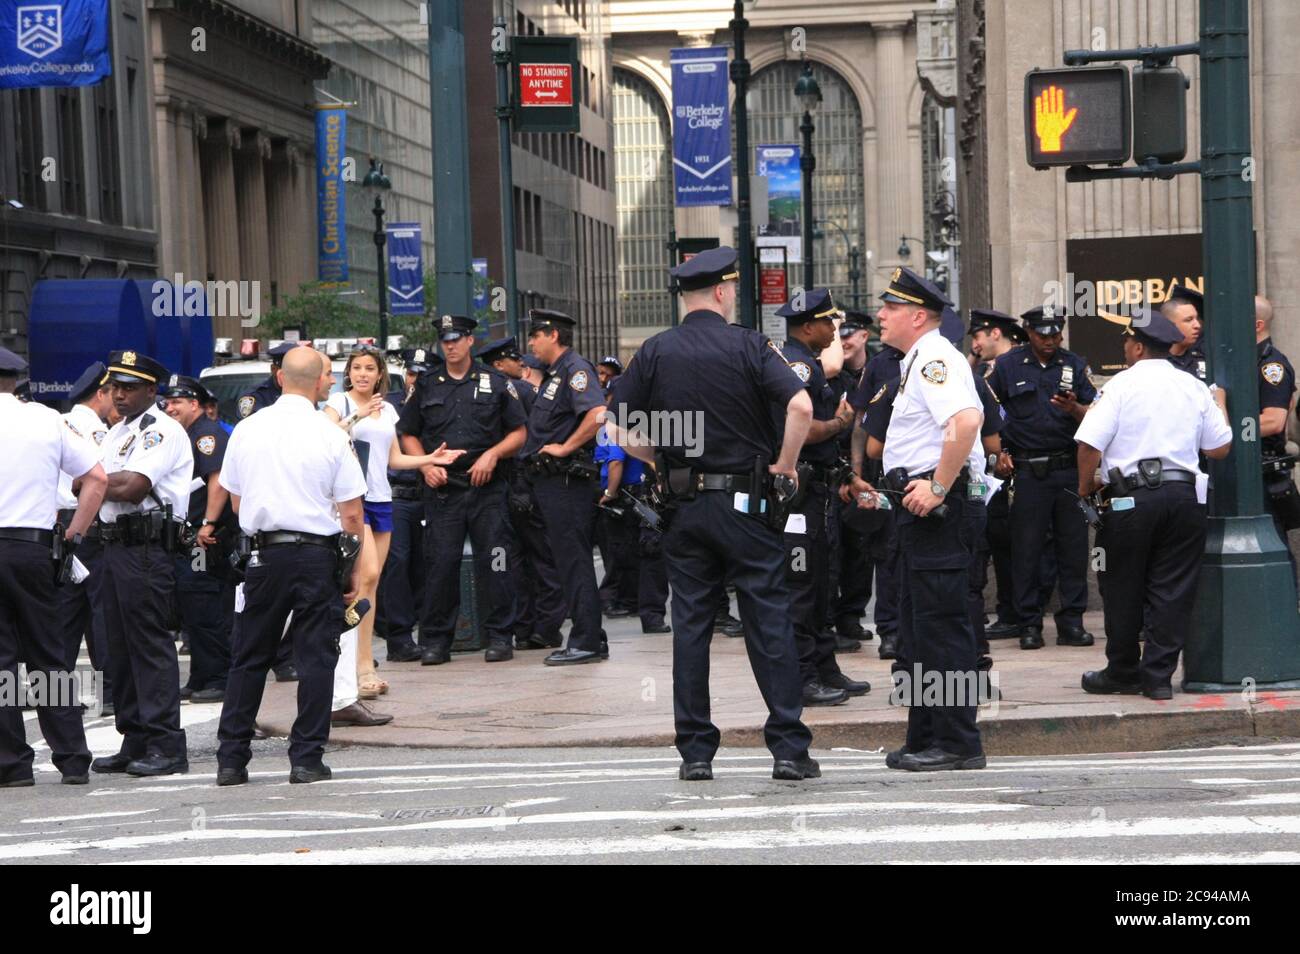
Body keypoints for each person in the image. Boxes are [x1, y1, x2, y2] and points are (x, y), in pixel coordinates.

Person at [609, 245, 819, 781]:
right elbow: (800, 405)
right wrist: (785, 467)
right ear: (724, 292)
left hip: (684, 507)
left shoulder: (655, 351)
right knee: (768, 621)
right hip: (748, 505)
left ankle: (697, 752)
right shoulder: (751, 345)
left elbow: (614, 428)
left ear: (687, 297)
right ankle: (789, 750)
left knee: (692, 627)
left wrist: (659, 459)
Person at [855, 267, 986, 772]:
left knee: (943, 629)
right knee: (918, 629)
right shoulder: (915, 361)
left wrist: (937, 485)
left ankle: (957, 742)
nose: (880, 317)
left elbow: (967, 422)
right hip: (918, 511)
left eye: (889, 309)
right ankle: (927, 733)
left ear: (916, 316)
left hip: (939, 511)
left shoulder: (935, 359)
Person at [1077, 308, 1232, 699]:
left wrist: (1083, 489)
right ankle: (1159, 678)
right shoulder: (1194, 387)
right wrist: (1221, 403)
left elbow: (1088, 442)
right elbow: (1219, 447)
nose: (1125, 348)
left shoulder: (1120, 385)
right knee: (1173, 587)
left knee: (1121, 584)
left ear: (1139, 346)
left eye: (1127, 342)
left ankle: (1124, 670)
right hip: (1184, 499)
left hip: (1129, 500)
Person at [0, 347, 107, 787]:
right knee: (49, 655)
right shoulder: (47, 420)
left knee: (1, 662)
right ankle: (72, 757)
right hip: (33, 547)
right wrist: (73, 535)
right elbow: (97, 479)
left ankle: (11, 764)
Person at [328, 345, 465, 687]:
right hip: (351, 500)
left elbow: (395, 460)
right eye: (356, 368)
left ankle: (364, 667)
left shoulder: (387, 409)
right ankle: (355, 669)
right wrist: (358, 417)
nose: (362, 374)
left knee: (371, 584)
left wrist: (430, 459)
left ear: (379, 375)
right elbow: (325, 439)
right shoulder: (339, 404)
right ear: (349, 373)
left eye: (369, 369)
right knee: (366, 575)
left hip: (381, 498)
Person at [398, 316, 526, 665]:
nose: (450, 345)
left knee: (496, 561)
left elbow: (519, 432)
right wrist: (425, 465)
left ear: (470, 341)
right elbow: (407, 432)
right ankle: (437, 641)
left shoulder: (496, 381)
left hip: (487, 486)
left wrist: (492, 454)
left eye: (456, 339)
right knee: (440, 564)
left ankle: (500, 635)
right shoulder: (427, 384)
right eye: (445, 340)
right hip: (443, 490)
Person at [90, 351, 194, 778]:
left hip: (147, 547)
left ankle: (166, 744)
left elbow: (131, 487)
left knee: (149, 647)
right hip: (115, 547)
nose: (119, 394)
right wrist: (97, 483)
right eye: (114, 387)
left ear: (152, 390)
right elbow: (103, 482)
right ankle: (134, 738)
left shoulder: (160, 431)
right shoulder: (118, 432)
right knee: (118, 647)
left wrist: (90, 482)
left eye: (129, 387)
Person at [776, 289, 869, 706]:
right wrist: (840, 423)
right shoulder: (796, 367)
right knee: (802, 586)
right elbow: (802, 429)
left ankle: (824, 664)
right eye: (829, 323)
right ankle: (802, 676)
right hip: (801, 498)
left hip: (822, 489)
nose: (835, 330)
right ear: (808, 325)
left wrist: (847, 473)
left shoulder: (811, 365)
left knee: (823, 582)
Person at [987, 305, 1096, 650]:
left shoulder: (1074, 365)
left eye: (1055, 334)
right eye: (1042, 334)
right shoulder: (1007, 366)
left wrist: (1074, 409)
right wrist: (999, 452)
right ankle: (1029, 624)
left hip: (1067, 468)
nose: (1050, 341)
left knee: (1073, 549)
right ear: (1029, 333)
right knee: (1027, 550)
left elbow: (1096, 416)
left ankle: (1072, 622)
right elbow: (992, 410)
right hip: (1028, 471)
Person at [522, 309, 609, 666]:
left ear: (553, 335)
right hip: (553, 482)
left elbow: (597, 414)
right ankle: (593, 636)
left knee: (573, 562)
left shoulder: (575, 371)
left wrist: (566, 446)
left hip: (567, 482)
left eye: (535, 335)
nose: (531, 342)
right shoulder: (556, 375)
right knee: (569, 561)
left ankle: (586, 640)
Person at [478, 336, 568, 650]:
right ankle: (545, 627)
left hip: (499, 486)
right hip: (525, 481)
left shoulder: (484, 392)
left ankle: (523, 626)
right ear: (499, 364)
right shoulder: (524, 391)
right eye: (514, 359)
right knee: (543, 558)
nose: (521, 364)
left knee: (509, 561)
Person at [164, 375, 235, 703]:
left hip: (204, 538)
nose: (170, 406)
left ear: (195, 404)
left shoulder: (206, 434)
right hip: (190, 536)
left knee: (205, 603)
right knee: (193, 606)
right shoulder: (188, 433)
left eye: (178, 402)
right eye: (169, 401)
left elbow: (217, 482)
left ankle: (218, 677)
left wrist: (207, 524)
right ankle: (201, 675)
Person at [845, 312, 906, 659]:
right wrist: (858, 474)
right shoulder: (881, 365)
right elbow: (859, 424)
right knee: (887, 554)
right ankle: (890, 631)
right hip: (886, 476)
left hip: (926, 476)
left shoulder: (937, 360)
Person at [54, 362, 115, 713]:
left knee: (63, 612)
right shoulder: (94, 430)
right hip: (87, 523)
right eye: (112, 394)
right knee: (100, 609)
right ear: (100, 393)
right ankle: (108, 691)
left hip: (57, 523)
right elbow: (101, 478)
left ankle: (56, 693)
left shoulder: (59, 423)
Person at [967, 309, 1025, 640]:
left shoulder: (1013, 366)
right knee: (988, 542)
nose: (975, 344)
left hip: (1012, 466)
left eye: (978, 337)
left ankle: (1012, 610)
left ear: (995, 333)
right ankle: (1004, 609)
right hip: (989, 471)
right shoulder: (984, 372)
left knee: (1007, 545)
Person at [375, 348, 435, 662]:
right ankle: (398, 638)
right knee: (396, 567)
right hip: (395, 494)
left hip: (429, 495)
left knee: (426, 566)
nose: (415, 380)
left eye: (422, 375)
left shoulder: (437, 403)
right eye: (412, 374)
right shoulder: (387, 407)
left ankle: (429, 634)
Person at [826, 312, 874, 651]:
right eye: (839, 333)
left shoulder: (881, 370)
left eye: (850, 333)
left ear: (865, 336)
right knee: (833, 548)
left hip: (869, 471)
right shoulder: (829, 376)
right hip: (834, 469)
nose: (843, 340)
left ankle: (851, 615)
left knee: (863, 548)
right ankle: (831, 617)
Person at [1253, 296, 1298, 576]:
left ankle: (1286, 610)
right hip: (1242, 469)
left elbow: (1273, 420)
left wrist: (1218, 429)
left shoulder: (1272, 365)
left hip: (1263, 472)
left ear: (1257, 325)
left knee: (1274, 544)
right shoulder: (1247, 360)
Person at [235, 341, 298, 419]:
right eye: (289, 371)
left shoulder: (308, 391)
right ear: (273, 369)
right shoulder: (255, 397)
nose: (295, 376)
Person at [1163, 283, 1208, 383]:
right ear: (1169, 324)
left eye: (1197, 319)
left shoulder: (1206, 359)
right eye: (1188, 320)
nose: (1197, 325)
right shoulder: (1155, 362)